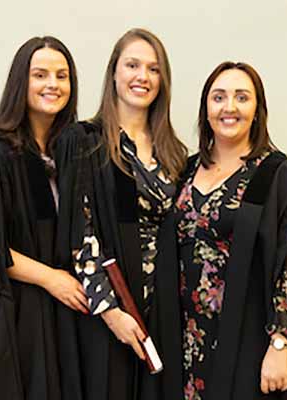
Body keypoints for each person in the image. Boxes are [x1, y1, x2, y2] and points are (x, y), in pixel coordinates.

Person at [172, 61, 287, 399]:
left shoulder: (280, 178)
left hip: (246, 337)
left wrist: (280, 342)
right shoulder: (186, 170)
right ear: (206, 109)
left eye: (242, 97)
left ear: (257, 110)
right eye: (218, 97)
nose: (229, 107)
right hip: (185, 338)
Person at [54, 28, 187, 400]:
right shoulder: (84, 141)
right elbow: (80, 233)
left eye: (153, 69)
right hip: (108, 309)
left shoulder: (173, 152)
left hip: (162, 309)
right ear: (114, 72)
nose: (142, 76)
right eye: (132, 65)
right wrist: (111, 312)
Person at [0, 36, 87, 400]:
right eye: (40, 75)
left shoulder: (72, 154)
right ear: (20, 83)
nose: (52, 84)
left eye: (62, 76)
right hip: (19, 313)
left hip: (65, 313)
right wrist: (51, 279)